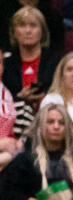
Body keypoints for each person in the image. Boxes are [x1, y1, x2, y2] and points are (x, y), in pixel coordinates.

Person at [5, 7, 59, 135]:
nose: (28, 30)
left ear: (42, 31)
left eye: (33, 25)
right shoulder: (6, 63)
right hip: (15, 123)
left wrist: (45, 99)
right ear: (14, 32)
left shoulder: (56, 61)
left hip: (51, 119)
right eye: (22, 26)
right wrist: (19, 98)